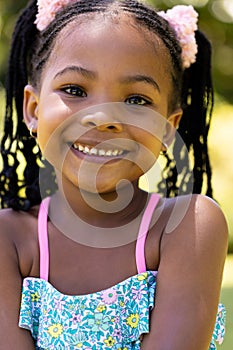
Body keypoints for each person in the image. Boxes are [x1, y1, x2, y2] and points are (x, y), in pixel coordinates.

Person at [0, 0, 228, 349]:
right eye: (75, 90)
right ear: (32, 110)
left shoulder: (188, 227)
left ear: (169, 130)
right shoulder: (10, 240)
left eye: (136, 100)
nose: (104, 116)